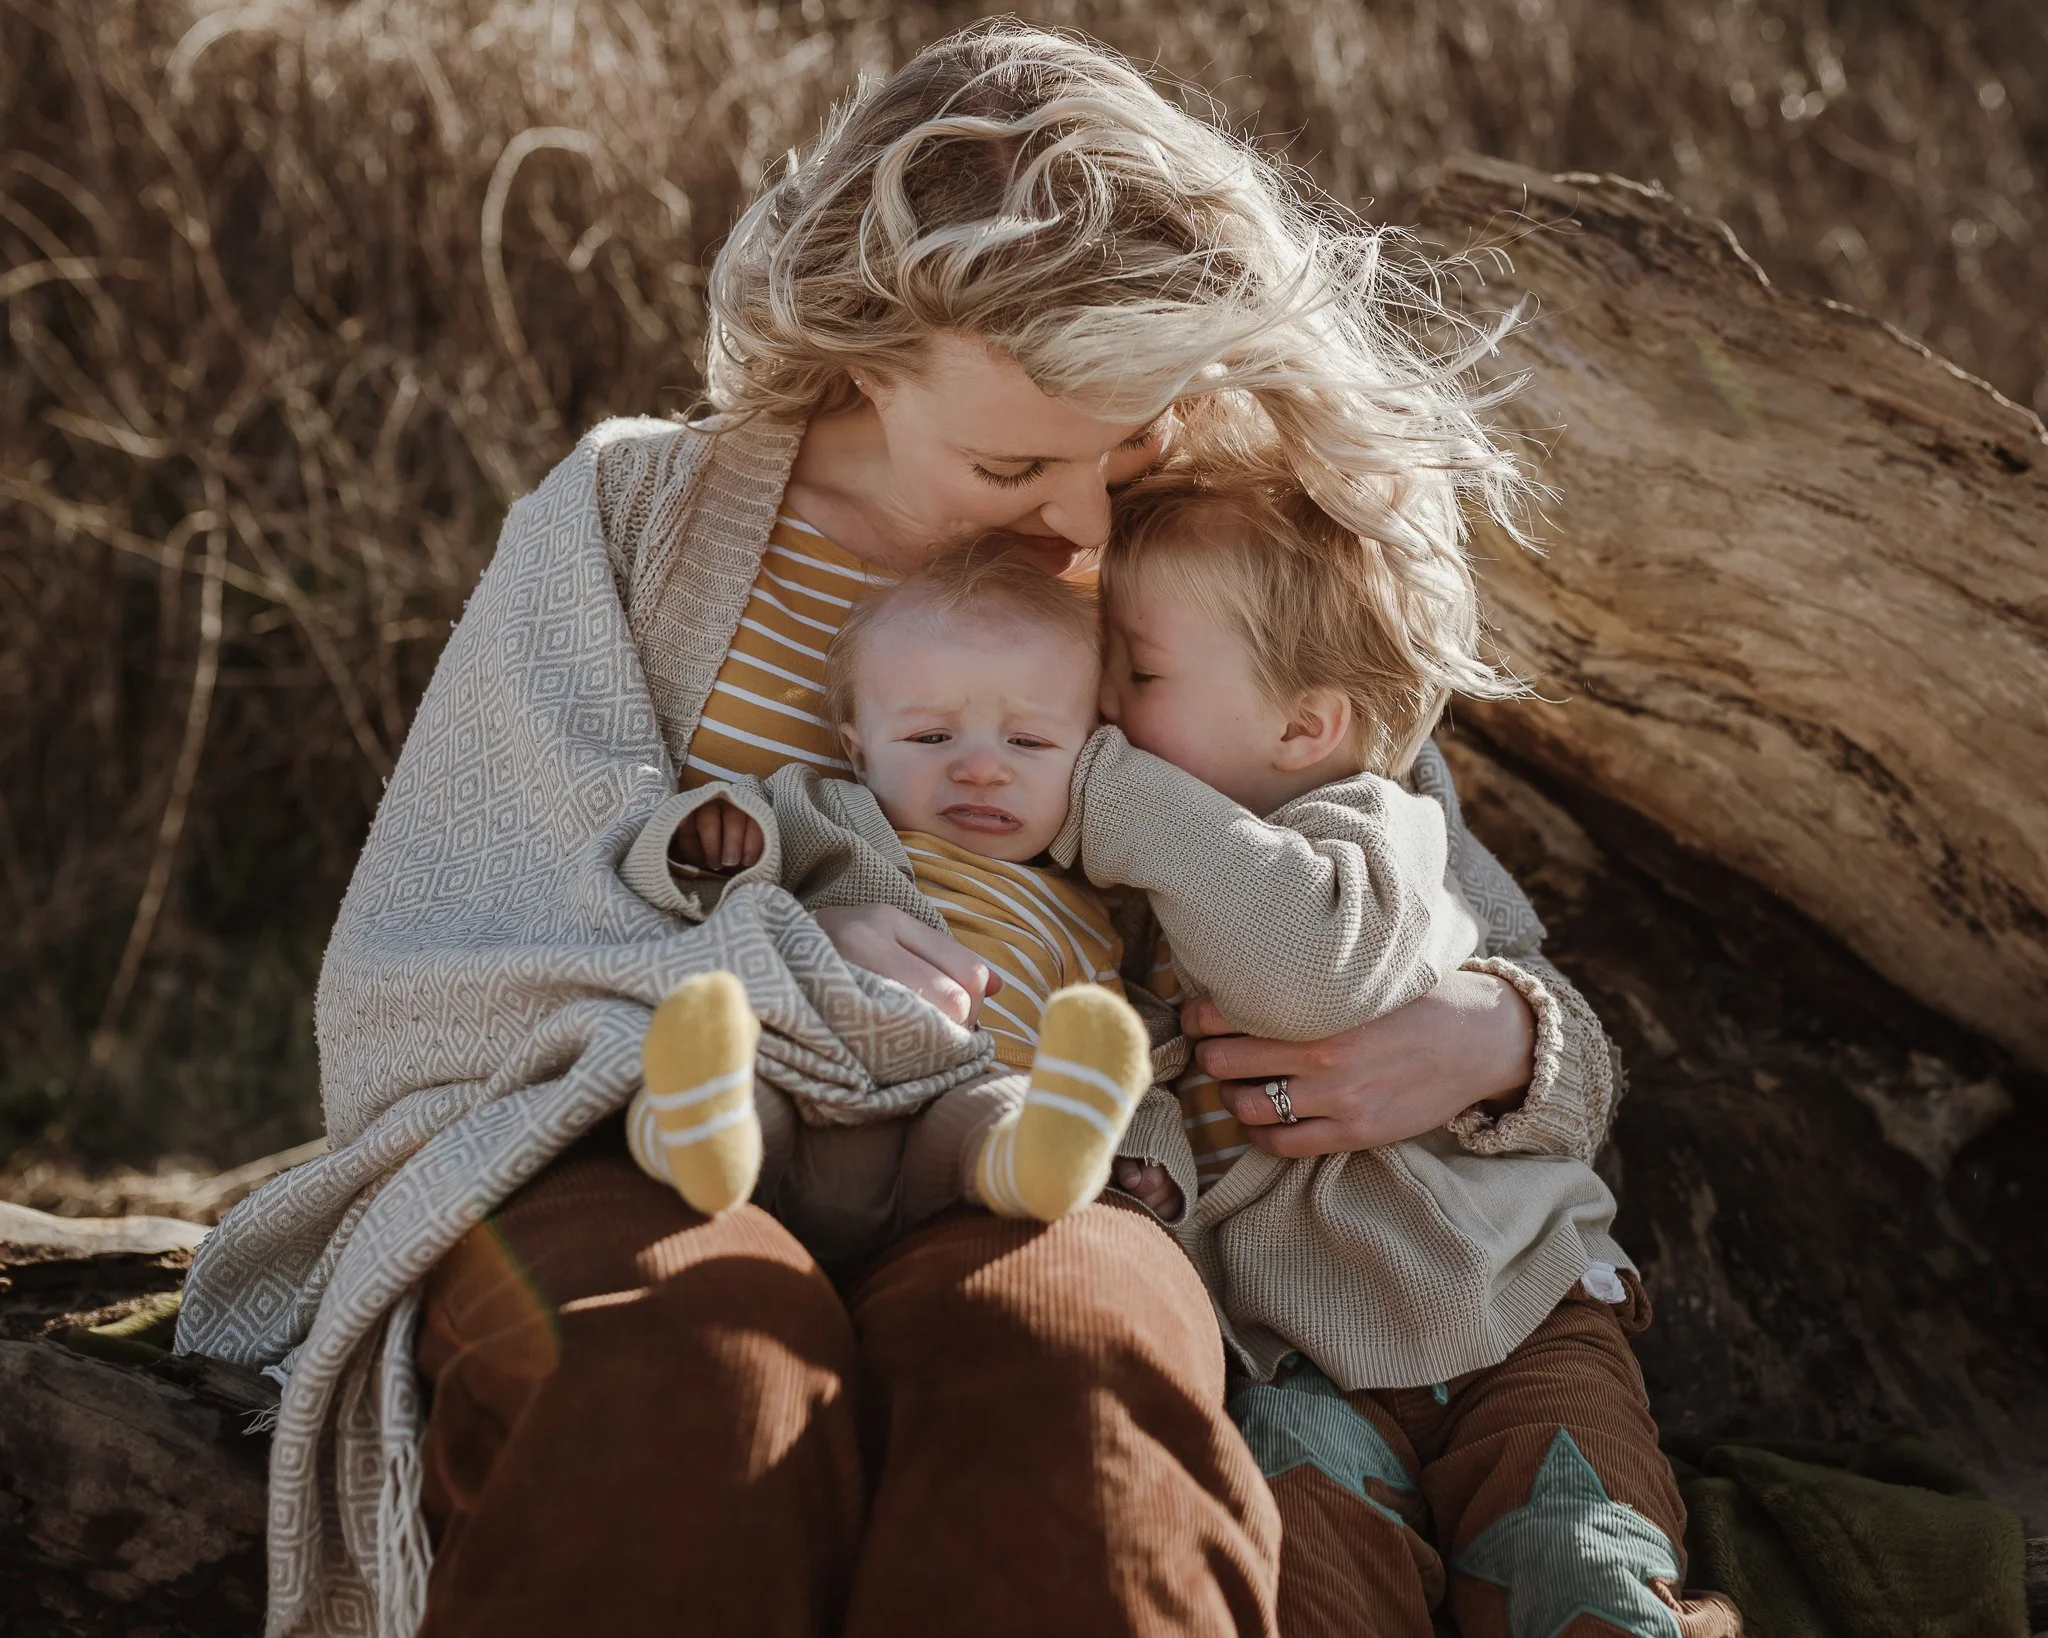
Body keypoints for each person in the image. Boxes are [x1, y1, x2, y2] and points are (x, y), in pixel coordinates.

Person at [172, 24, 1628, 1638]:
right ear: (864, 353)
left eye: (1121, 447)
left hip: (1023, 1159)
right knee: (692, 1382)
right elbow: (431, 962)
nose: (1078, 520)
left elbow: (1438, 913)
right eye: (1011, 461)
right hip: (655, 1158)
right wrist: (779, 962)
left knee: (1082, 1395)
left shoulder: (1174, 549)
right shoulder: (631, 528)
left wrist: (1505, 1038)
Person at [1071, 476, 1739, 1638]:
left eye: (1140, 671)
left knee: (1574, 1559)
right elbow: (1118, 1064)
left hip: (1515, 1309)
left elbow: (1326, 971)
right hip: (1290, 1355)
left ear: (1302, 726)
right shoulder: (1115, 883)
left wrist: (1099, 786)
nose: (1101, 707)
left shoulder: (1372, 822)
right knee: (1303, 1577)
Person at [625, 552, 1153, 1239]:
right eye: (932, 736)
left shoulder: (1086, 917)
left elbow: (1135, 1058)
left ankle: (1035, 1163)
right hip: (814, 1076)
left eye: (1029, 741)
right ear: (859, 749)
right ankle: (698, 1131)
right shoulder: (821, 814)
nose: (983, 769)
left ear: (1089, 756)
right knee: (744, 1083)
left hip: (957, 1127)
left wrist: (1151, 1157)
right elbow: (664, 885)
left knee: (1001, 1116)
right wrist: (709, 839)